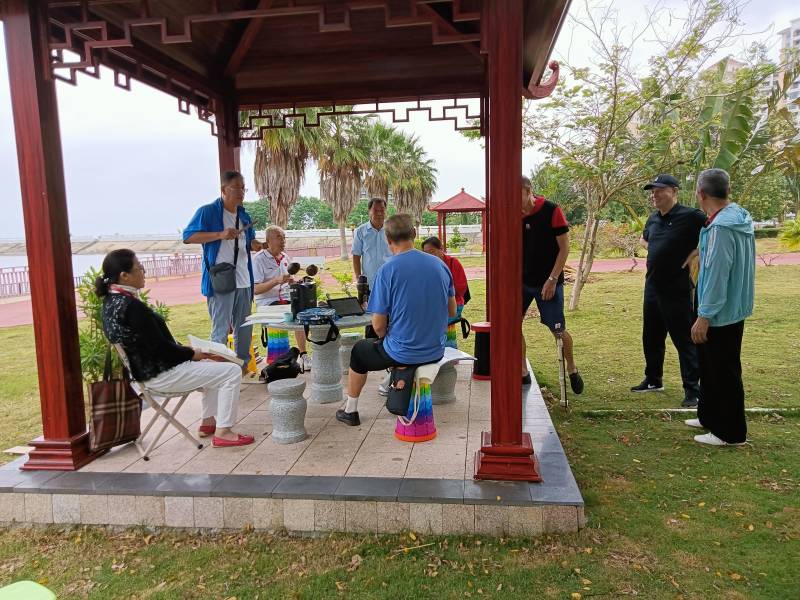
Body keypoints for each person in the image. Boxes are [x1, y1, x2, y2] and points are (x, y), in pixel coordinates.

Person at [99, 249, 254, 447]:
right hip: (161, 374)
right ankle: (224, 432)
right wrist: (192, 353)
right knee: (231, 372)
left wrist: (192, 353)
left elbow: (153, 344)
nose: (144, 272)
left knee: (213, 365)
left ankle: (208, 422)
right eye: (139, 268)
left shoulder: (110, 303)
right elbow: (161, 349)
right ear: (124, 275)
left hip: (146, 373)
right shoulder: (131, 306)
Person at [336, 214, 456, 426]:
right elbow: (452, 310)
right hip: (435, 349)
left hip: (403, 352)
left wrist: (386, 337)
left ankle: (350, 410)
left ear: (387, 239)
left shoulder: (387, 271)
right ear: (414, 233)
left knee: (359, 352)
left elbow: (378, 325)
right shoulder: (440, 265)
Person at [687, 169, 754, 446]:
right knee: (709, 366)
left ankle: (730, 433)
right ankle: (708, 416)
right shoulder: (737, 215)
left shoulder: (722, 228)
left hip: (720, 311)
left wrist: (705, 315)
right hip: (731, 306)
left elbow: (717, 273)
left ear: (701, 194)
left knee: (723, 370)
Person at [631, 174, 706, 407]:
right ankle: (654, 380)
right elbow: (644, 240)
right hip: (652, 286)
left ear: (674, 191)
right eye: (652, 191)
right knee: (651, 336)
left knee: (684, 339)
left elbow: (714, 233)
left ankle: (693, 391)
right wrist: (656, 246)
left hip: (677, 288)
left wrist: (696, 251)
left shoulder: (691, 216)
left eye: (659, 190)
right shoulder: (653, 218)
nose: (654, 195)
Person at [183, 171, 261, 370]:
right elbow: (188, 236)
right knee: (220, 331)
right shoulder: (207, 212)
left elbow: (249, 242)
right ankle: (218, 372)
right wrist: (220, 234)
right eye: (236, 187)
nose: (241, 192)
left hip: (244, 280)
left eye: (243, 188)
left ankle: (241, 369)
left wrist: (255, 245)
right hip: (221, 280)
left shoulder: (244, 215)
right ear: (224, 190)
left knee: (244, 329)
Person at [521, 176, 583, 393]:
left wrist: (552, 279)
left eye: (517, 195)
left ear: (528, 190)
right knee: (511, 325)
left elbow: (564, 248)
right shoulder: (512, 213)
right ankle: (522, 370)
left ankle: (572, 367)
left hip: (549, 281)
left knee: (557, 329)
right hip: (522, 281)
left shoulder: (551, 210)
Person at [252, 225, 311, 371]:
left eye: (284, 237)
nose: (283, 241)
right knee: (292, 312)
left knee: (303, 311)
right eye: (279, 237)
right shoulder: (258, 259)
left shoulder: (285, 257)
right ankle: (278, 362)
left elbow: (289, 280)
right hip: (267, 302)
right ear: (268, 241)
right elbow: (255, 289)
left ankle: (303, 354)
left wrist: (295, 282)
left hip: (285, 299)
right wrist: (276, 281)